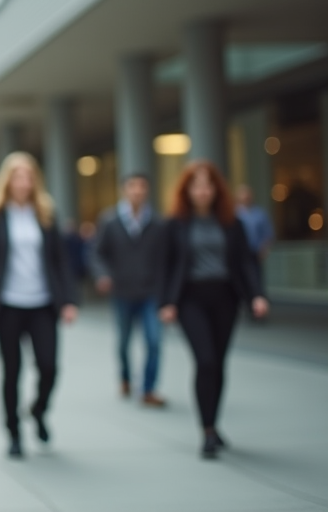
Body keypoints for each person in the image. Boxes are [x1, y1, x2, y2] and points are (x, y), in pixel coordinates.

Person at [0, 152, 79, 459]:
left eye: (28, 177)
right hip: (7, 305)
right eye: (17, 176)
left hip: (43, 303)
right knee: (12, 370)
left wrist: (68, 300)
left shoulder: (46, 213)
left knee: (49, 366)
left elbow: (61, 260)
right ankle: (14, 432)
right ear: (7, 180)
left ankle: (38, 410)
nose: (23, 182)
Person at [159, 160, 268, 458]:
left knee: (219, 363)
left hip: (225, 298)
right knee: (205, 360)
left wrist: (256, 295)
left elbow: (246, 262)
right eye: (197, 186)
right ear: (188, 190)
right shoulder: (176, 224)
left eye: (208, 186)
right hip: (191, 298)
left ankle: (214, 423)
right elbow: (166, 266)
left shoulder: (232, 223)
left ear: (217, 189)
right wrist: (166, 302)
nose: (203, 192)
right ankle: (206, 430)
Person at [91, 174, 167, 406]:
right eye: (132, 187)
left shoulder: (156, 222)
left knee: (154, 341)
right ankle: (125, 377)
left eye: (142, 187)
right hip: (122, 291)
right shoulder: (110, 220)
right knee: (124, 342)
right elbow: (97, 253)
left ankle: (148, 389)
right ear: (124, 190)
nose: (137, 191)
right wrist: (103, 275)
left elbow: (165, 258)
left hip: (150, 292)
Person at [235, 184, 275, 262]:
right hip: (238, 254)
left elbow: (268, 234)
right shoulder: (234, 213)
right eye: (242, 194)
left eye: (247, 194)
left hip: (255, 253)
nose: (245, 196)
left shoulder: (260, 214)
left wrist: (264, 248)